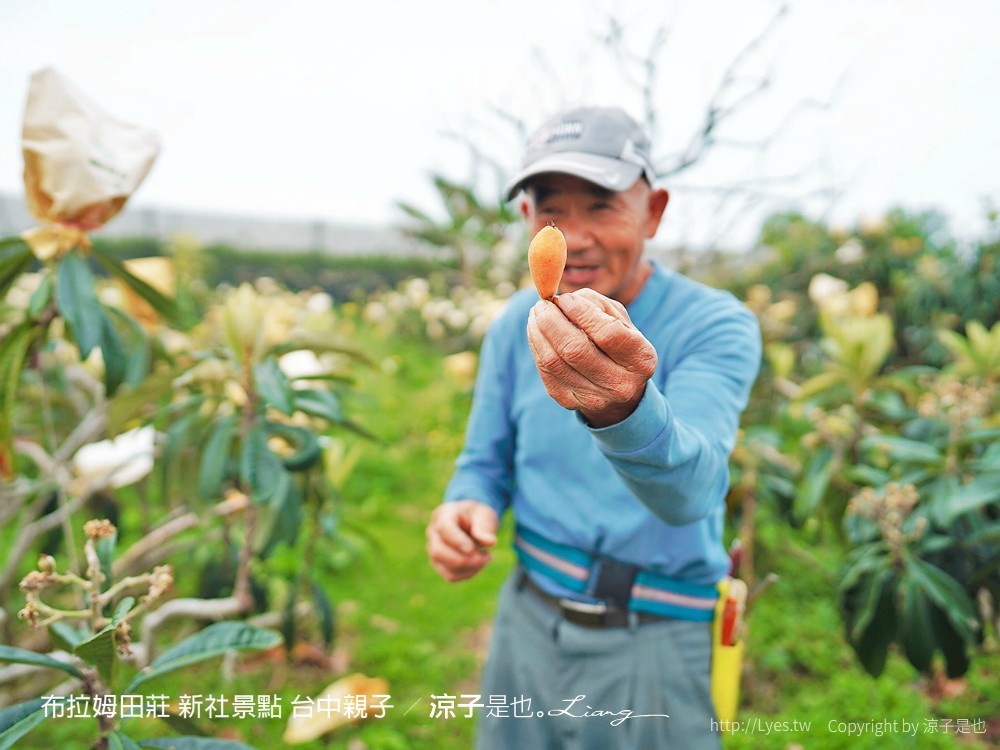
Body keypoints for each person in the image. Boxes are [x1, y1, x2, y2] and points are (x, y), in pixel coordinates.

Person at [425, 105, 761, 750]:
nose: (572, 237)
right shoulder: (512, 325)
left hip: (656, 635)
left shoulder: (714, 325)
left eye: (601, 206)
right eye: (550, 210)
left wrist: (624, 409)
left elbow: (692, 491)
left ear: (653, 212)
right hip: (526, 620)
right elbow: (484, 460)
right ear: (527, 222)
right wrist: (465, 506)